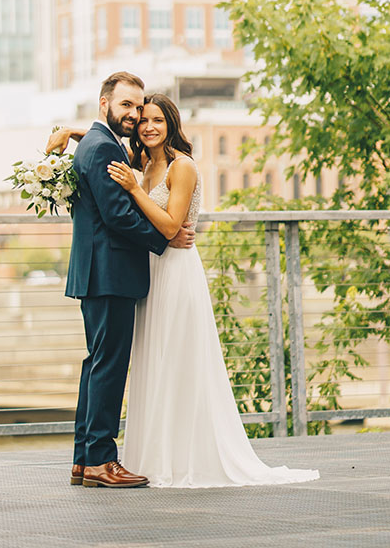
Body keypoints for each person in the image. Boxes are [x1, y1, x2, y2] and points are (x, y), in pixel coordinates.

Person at [106, 93, 320, 488]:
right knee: (155, 361)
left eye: (157, 119)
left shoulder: (181, 166)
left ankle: (187, 458)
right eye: (143, 122)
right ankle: (155, 457)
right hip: (150, 272)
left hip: (176, 272)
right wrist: (70, 131)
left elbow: (171, 226)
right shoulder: (144, 161)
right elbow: (102, 137)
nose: (149, 127)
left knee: (180, 362)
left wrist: (135, 191)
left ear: (171, 123)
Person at [63, 72, 196, 489]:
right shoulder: (103, 147)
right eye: (127, 106)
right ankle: (101, 461)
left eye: (138, 107)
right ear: (105, 104)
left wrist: (68, 130)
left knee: (97, 364)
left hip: (100, 272)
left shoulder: (97, 142)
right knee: (109, 366)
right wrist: (166, 235)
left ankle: (85, 460)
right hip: (111, 272)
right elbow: (119, 216)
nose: (135, 114)